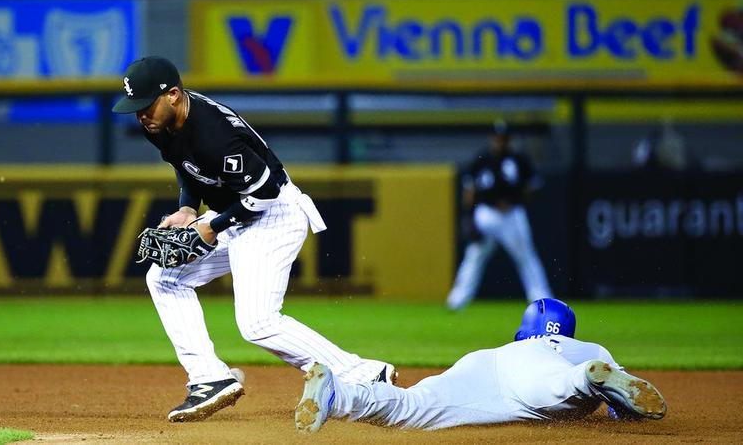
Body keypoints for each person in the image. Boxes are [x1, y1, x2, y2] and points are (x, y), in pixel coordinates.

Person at [112, 56, 396, 422]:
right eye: (135, 108)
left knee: (258, 323)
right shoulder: (163, 123)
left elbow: (266, 192)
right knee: (164, 277)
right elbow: (186, 168)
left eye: (145, 105)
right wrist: (187, 209)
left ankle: (365, 376)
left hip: (274, 214)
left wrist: (211, 227)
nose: (140, 115)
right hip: (237, 213)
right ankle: (209, 378)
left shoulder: (213, 132)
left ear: (173, 95)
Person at [295, 298, 667, 433]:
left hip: (484, 363)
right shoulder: (589, 348)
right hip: (544, 374)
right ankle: (584, 380)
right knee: (562, 386)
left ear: (526, 329)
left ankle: (338, 395)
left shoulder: (516, 344)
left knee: (411, 404)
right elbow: (627, 413)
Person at [446, 120, 552, 310]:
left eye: (504, 138)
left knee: (526, 257)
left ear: (509, 139)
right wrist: (469, 218)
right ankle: (458, 300)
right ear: (492, 138)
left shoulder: (519, 160)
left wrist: (517, 200)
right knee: (474, 256)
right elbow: (469, 191)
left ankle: (542, 301)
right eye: (497, 137)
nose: (500, 141)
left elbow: (533, 186)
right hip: (487, 213)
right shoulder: (482, 160)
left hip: (512, 214)